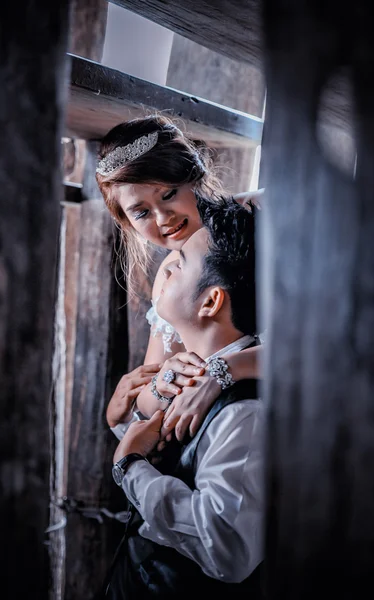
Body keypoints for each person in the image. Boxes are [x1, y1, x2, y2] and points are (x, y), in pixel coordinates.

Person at [104, 195, 264, 599]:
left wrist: (130, 468)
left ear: (211, 301)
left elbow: (226, 550)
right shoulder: (190, 372)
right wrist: (125, 425)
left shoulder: (243, 413)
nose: (166, 267)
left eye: (179, 265)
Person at [96, 114, 264, 440]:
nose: (163, 217)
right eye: (142, 212)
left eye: (169, 193)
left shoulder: (255, 219)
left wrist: (224, 372)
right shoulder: (169, 278)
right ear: (127, 222)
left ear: (193, 176)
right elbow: (149, 392)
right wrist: (161, 386)